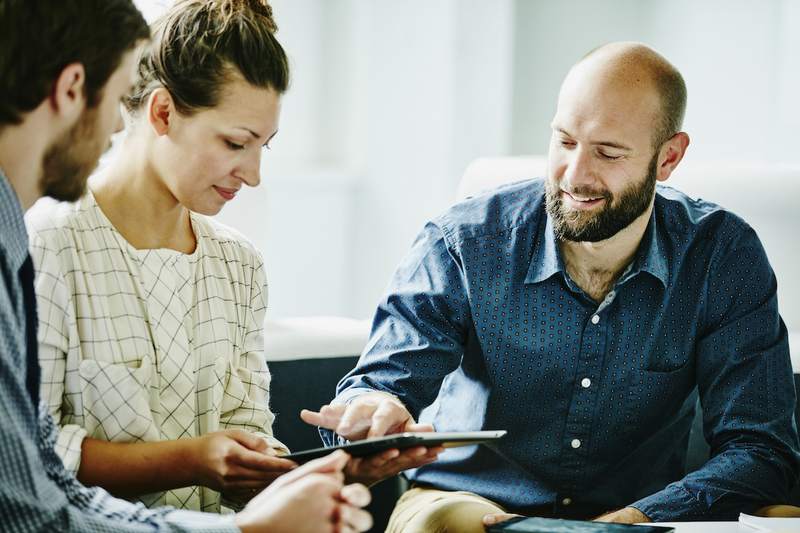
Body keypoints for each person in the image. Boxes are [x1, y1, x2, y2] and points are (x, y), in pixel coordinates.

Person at [302, 42, 800, 532]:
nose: (575, 175)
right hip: (472, 503)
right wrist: (373, 409)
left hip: (645, 515)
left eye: (608, 152)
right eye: (564, 142)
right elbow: (382, 384)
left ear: (668, 158)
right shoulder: (465, 241)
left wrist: (636, 520)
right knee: (445, 525)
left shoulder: (721, 255)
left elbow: (761, 450)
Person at [0, 0, 371, 531]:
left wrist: (337, 472)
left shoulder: (239, 263)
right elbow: (37, 467)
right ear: (163, 113)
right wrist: (196, 459)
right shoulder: (45, 243)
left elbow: (248, 429)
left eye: (264, 146)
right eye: (235, 143)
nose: (253, 174)